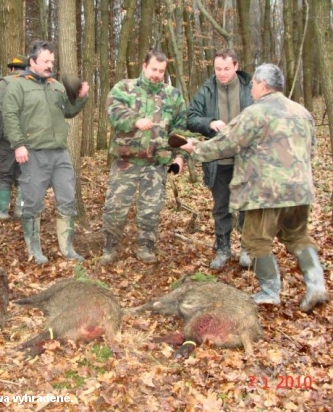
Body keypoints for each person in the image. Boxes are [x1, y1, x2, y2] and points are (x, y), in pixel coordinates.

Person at [182, 63, 329, 312]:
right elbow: (310, 148)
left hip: (266, 191)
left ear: (262, 84)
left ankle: (270, 291)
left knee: (255, 239)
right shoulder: (302, 112)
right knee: (298, 236)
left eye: (253, 85)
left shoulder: (255, 113)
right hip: (300, 189)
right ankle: (316, 285)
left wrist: (194, 148)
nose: (250, 90)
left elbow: (227, 143)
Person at [2, 40, 89, 264]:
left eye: (52, 61)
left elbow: (68, 112)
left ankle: (67, 248)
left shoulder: (56, 86)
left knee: (68, 199)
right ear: (32, 62)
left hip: (59, 152)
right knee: (32, 203)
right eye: (46, 61)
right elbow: (9, 116)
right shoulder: (18, 86)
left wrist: (80, 98)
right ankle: (34, 250)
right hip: (32, 153)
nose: (50, 65)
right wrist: (18, 144)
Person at [100, 50, 188, 265]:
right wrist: (135, 120)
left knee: (151, 209)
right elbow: (113, 112)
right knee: (116, 207)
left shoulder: (173, 95)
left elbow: (180, 131)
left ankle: (145, 245)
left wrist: (180, 157)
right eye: (153, 69)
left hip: (156, 163)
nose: (156, 75)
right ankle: (110, 247)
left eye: (161, 71)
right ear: (144, 66)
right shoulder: (125, 88)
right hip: (126, 161)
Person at [187, 49, 253, 269]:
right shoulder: (206, 89)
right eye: (218, 69)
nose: (222, 73)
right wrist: (209, 122)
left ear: (236, 66)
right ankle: (223, 248)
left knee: (247, 205)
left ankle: (247, 248)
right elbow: (191, 118)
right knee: (221, 207)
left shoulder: (250, 86)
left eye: (226, 68)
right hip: (218, 160)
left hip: (246, 159)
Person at [0, 55, 29, 222]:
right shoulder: (33, 84)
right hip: (28, 138)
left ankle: (2, 210)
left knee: (2, 174)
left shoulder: (2, 84)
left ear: (11, 68)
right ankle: (21, 209)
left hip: (6, 138)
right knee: (24, 174)